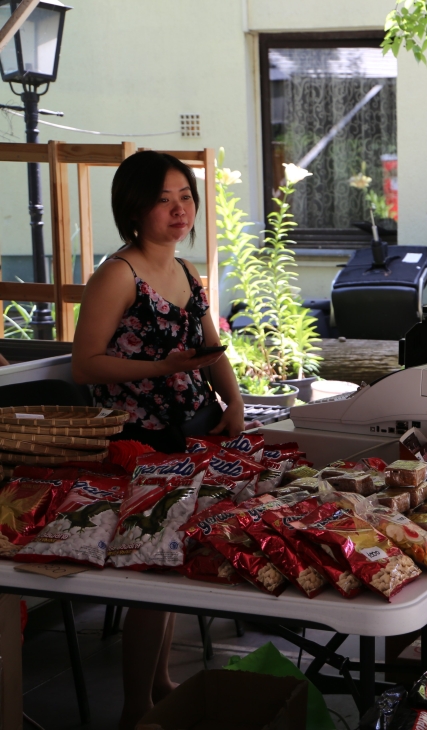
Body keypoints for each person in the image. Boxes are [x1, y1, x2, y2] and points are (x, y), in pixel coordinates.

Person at [71, 151, 246, 729]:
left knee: (171, 562)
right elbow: (85, 365)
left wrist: (234, 402)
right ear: (134, 208)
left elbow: (210, 348)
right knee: (151, 571)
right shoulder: (118, 274)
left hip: (190, 432)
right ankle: (135, 709)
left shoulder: (187, 270)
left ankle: (161, 683)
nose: (179, 210)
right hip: (138, 442)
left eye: (186, 197)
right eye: (164, 200)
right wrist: (161, 367)